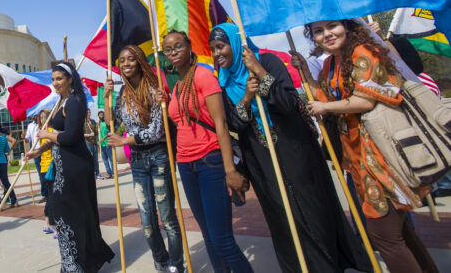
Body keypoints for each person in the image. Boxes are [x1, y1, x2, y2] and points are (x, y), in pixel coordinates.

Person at [210, 23, 371, 273]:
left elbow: (286, 102)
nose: (217, 53)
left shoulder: (269, 61)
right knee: (284, 218)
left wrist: (260, 71)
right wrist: (246, 98)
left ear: (235, 44)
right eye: (213, 49)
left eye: (220, 46)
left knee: (313, 208)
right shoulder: (224, 81)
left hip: (296, 149)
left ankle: (329, 265)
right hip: (262, 160)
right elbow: (235, 123)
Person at [293, 19, 439, 273]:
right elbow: (325, 98)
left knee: (384, 236)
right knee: (399, 231)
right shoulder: (330, 63)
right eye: (318, 31)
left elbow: (364, 101)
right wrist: (306, 73)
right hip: (357, 157)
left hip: (384, 156)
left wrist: (325, 107)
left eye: (332, 27)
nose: (326, 34)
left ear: (347, 27)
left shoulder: (365, 53)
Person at [162, 30, 252, 273]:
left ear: (190, 47)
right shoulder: (178, 86)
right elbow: (180, 121)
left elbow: (220, 124)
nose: (173, 52)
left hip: (210, 161)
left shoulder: (204, 76)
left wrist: (230, 170)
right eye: (168, 49)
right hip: (185, 164)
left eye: (178, 46)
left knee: (222, 239)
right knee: (209, 237)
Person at [26, 61, 114, 272]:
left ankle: (78, 263)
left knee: (71, 214)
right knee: (64, 214)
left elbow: (71, 137)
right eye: (53, 79)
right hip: (63, 166)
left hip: (75, 167)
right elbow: (61, 137)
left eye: (59, 79)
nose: (55, 83)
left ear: (70, 80)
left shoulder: (74, 102)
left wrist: (47, 133)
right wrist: (41, 149)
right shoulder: (62, 101)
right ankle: (75, 261)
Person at [104, 45, 185, 273]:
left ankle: (175, 266)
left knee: (168, 218)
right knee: (147, 222)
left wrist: (125, 141)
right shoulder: (122, 94)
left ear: (139, 61)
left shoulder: (153, 89)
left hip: (159, 156)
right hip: (138, 162)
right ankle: (161, 262)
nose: (126, 64)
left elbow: (157, 131)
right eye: (122, 61)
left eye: (131, 59)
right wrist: (107, 95)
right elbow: (112, 122)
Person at [26, 113, 48, 203]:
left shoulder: (45, 125)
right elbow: (28, 139)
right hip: (36, 151)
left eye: (36, 115)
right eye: (33, 116)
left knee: (48, 173)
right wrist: (25, 138)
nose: (35, 117)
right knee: (41, 174)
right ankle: (45, 194)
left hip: (45, 150)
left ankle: (50, 192)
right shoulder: (30, 126)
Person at [84, 110, 102, 179]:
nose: (89, 114)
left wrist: (97, 127)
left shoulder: (93, 121)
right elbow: (81, 134)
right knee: (90, 161)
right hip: (88, 144)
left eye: (89, 112)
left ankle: (98, 173)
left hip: (94, 143)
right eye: (87, 112)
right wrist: (89, 135)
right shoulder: (83, 122)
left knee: (96, 160)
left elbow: (95, 132)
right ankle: (92, 175)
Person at [97, 111, 114, 179]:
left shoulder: (106, 123)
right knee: (105, 160)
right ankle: (109, 173)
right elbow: (96, 132)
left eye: (102, 115)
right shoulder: (98, 124)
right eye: (100, 115)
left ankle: (113, 173)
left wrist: (103, 139)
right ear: (98, 116)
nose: (101, 116)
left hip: (107, 143)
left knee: (111, 159)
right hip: (102, 145)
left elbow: (108, 133)